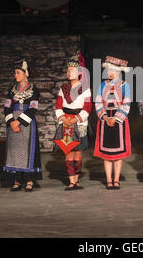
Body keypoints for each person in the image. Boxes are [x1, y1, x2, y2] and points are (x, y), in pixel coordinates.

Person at [54, 51, 92, 190]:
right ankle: (71, 180)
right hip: (66, 122)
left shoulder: (85, 89)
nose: (69, 73)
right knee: (69, 151)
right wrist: (64, 119)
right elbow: (58, 106)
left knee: (78, 152)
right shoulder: (63, 88)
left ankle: (77, 180)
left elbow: (87, 108)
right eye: (68, 70)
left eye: (72, 70)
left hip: (79, 122)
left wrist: (75, 119)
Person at [4, 59, 42, 192]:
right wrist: (11, 122)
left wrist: (18, 121)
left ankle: (29, 180)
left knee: (27, 151)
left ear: (26, 73)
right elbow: (7, 107)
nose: (16, 76)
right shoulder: (12, 90)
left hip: (26, 124)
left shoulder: (34, 90)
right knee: (15, 152)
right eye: (15, 73)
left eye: (18, 73)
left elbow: (33, 108)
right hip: (13, 123)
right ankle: (17, 180)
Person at [94, 56, 131, 190]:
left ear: (118, 71)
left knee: (118, 154)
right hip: (105, 119)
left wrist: (116, 118)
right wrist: (104, 116)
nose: (110, 72)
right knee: (107, 154)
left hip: (118, 120)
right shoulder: (103, 85)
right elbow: (98, 101)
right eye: (108, 69)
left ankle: (116, 180)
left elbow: (126, 102)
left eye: (112, 70)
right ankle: (109, 180)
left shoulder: (125, 85)